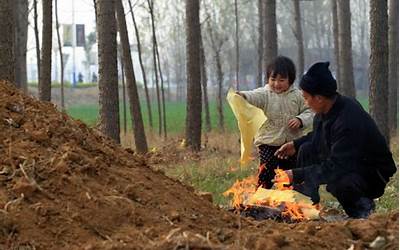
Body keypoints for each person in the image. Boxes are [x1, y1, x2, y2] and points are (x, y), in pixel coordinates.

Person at [274, 62, 397, 218]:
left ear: (319, 98)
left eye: (306, 98)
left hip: (371, 172)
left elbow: (336, 167)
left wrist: (295, 174)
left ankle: (363, 212)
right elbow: (319, 138)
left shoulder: (348, 120)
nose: (305, 103)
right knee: (306, 149)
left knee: (339, 182)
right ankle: (305, 205)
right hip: (348, 162)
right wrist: (295, 144)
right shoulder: (324, 112)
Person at [237, 56, 314, 189]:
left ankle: (287, 201)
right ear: (268, 79)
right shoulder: (265, 94)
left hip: (290, 144)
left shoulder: (298, 96)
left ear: (290, 80)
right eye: (273, 79)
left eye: (281, 80)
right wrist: (243, 95)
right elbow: (253, 96)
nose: (276, 84)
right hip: (268, 142)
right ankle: (261, 197)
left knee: (288, 174)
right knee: (267, 171)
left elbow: (310, 111)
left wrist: (300, 120)